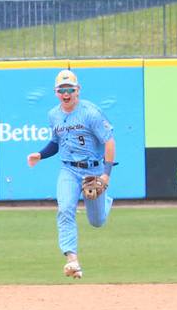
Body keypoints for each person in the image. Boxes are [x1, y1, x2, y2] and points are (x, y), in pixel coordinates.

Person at [27, 70, 115, 280]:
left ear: (78, 90)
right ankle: (72, 259)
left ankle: (106, 201)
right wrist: (40, 154)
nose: (66, 93)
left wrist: (106, 175)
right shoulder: (53, 114)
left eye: (70, 89)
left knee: (97, 221)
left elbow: (109, 141)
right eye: (61, 90)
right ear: (56, 92)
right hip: (68, 169)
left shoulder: (91, 113)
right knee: (65, 209)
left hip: (92, 170)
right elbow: (56, 143)